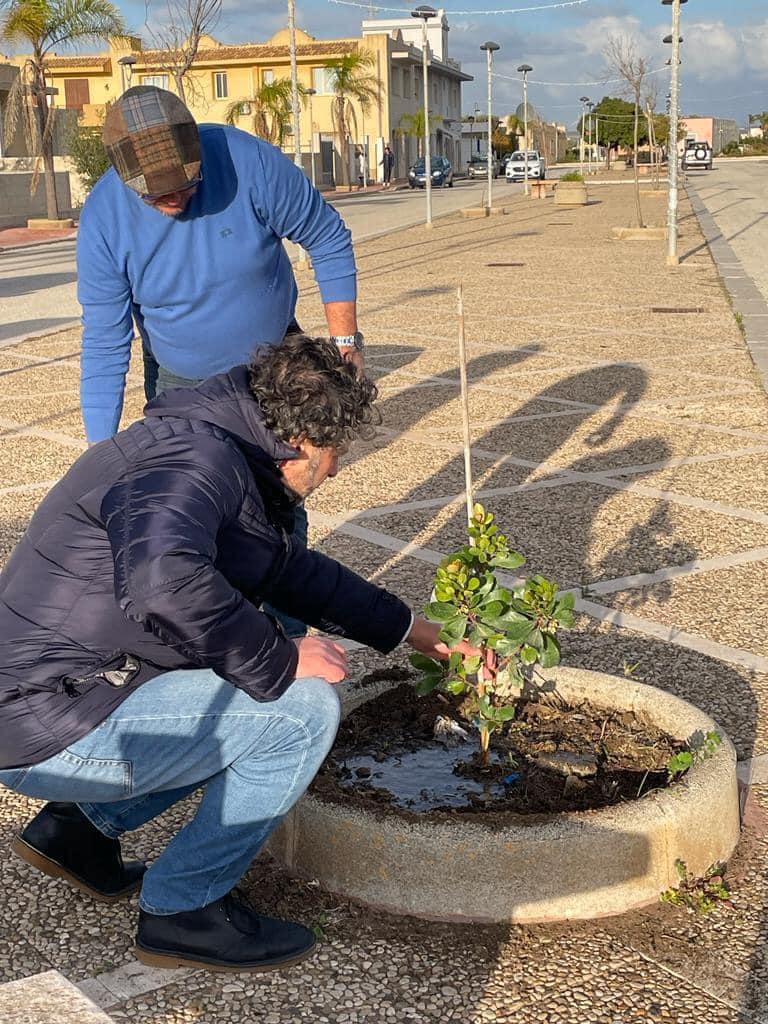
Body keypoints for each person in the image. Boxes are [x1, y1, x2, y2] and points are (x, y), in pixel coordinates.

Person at [0, 336, 469, 973]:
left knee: (233, 681)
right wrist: (279, 659)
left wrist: (416, 630)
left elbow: (293, 573)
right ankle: (183, 913)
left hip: (60, 696)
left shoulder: (218, 450)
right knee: (296, 710)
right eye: (337, 455)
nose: (335, 471)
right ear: (303, 441)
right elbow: (160, 579)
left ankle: (78, 831)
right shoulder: (189, 463)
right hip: (46, 720)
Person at [78, 84, 364, 638]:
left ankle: (287, 635)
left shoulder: (247, 159)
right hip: (183, 381)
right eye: (156, 196)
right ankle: (219, 636)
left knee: (280, 501)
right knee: (194, 503)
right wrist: (100, 453)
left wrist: (344, 345)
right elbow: (107, 340)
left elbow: (328, 238)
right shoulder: (103, 218)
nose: (174, 200)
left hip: (274, 368)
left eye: (184, 185)